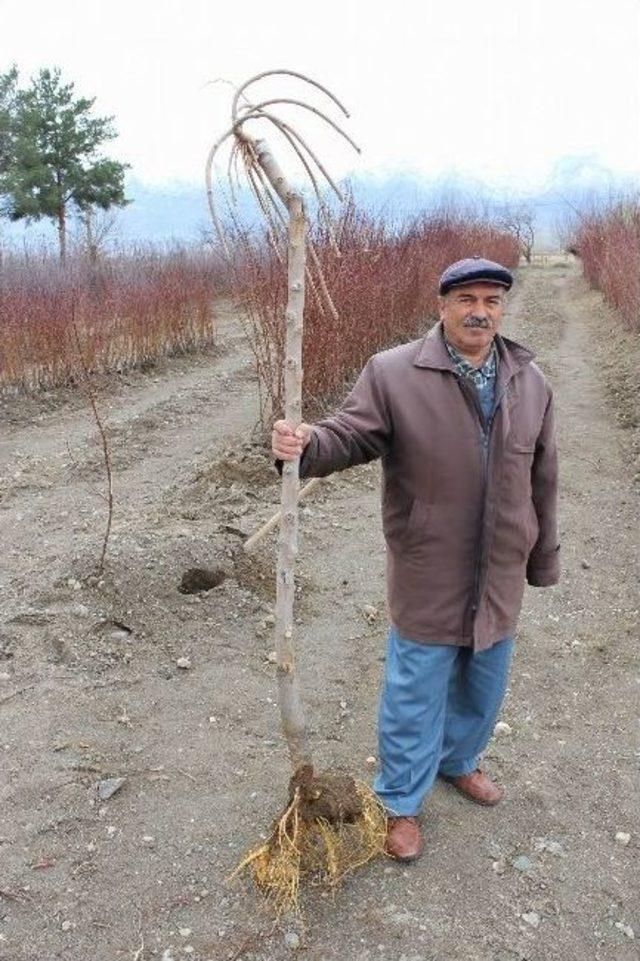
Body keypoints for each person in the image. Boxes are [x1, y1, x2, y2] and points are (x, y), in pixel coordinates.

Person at [271, 256, 560, 861]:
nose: (479, 312)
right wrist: (305, 444)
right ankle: (400, 799)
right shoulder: (394, 372)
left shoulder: (530, 381)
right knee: (416, 687)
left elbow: (543, 476)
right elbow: (349, 435)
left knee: (485, 680)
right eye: (466, 300)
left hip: (503, 563)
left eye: (491, 301)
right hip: (430, 561)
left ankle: (460, 761)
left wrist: (542, 558)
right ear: (443, 306)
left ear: (502, 309)